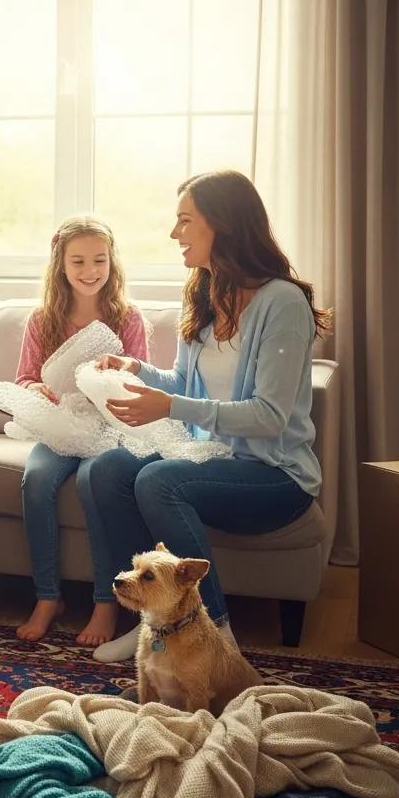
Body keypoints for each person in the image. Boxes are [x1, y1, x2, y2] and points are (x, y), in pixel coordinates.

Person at [75, 169, 331, 661]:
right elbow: (185, 386)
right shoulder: (203, 292)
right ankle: (151, 622)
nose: (175, 234)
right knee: (106, 469)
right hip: (210, 455)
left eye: (185, 221)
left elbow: (270, 416)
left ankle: (215, 636)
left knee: (157, 480)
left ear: (224, 224)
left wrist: (170, 406)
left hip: (275, 476)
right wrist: (138, 371)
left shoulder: (283, 303)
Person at [15, 216, 149, 642]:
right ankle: (48, 596)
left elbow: (141, 381)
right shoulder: (42, 320)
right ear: (61, 265)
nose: (90, 271)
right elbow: (23, 380)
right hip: (58, 425)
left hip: (108, 428)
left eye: (99, 260)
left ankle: (105, 603)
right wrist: (37, 388)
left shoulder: (128, 318)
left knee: (95, 483)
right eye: (78, 262)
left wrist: (107, 385)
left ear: (112, 262)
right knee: (36, 480)